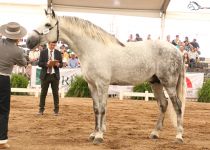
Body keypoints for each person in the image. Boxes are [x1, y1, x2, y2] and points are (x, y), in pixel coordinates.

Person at [0, 22, 27, 149]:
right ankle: (2, 140)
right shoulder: (17, 51)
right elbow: (23, 63)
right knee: (3, 110)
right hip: (4, 79)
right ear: (17, 37)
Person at [38, 41, 63, 116]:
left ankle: (56, 110)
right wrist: (47, 64)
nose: (53, 46)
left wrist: (58, 64)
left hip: (55, 75)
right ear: (48, 44)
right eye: (52, 45)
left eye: (54, 45)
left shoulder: (58, 53)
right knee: (43, 93)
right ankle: (41, 110)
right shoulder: (43, 52)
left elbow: (61, 64)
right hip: (45, 75)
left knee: (55, 93)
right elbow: (39, 63)